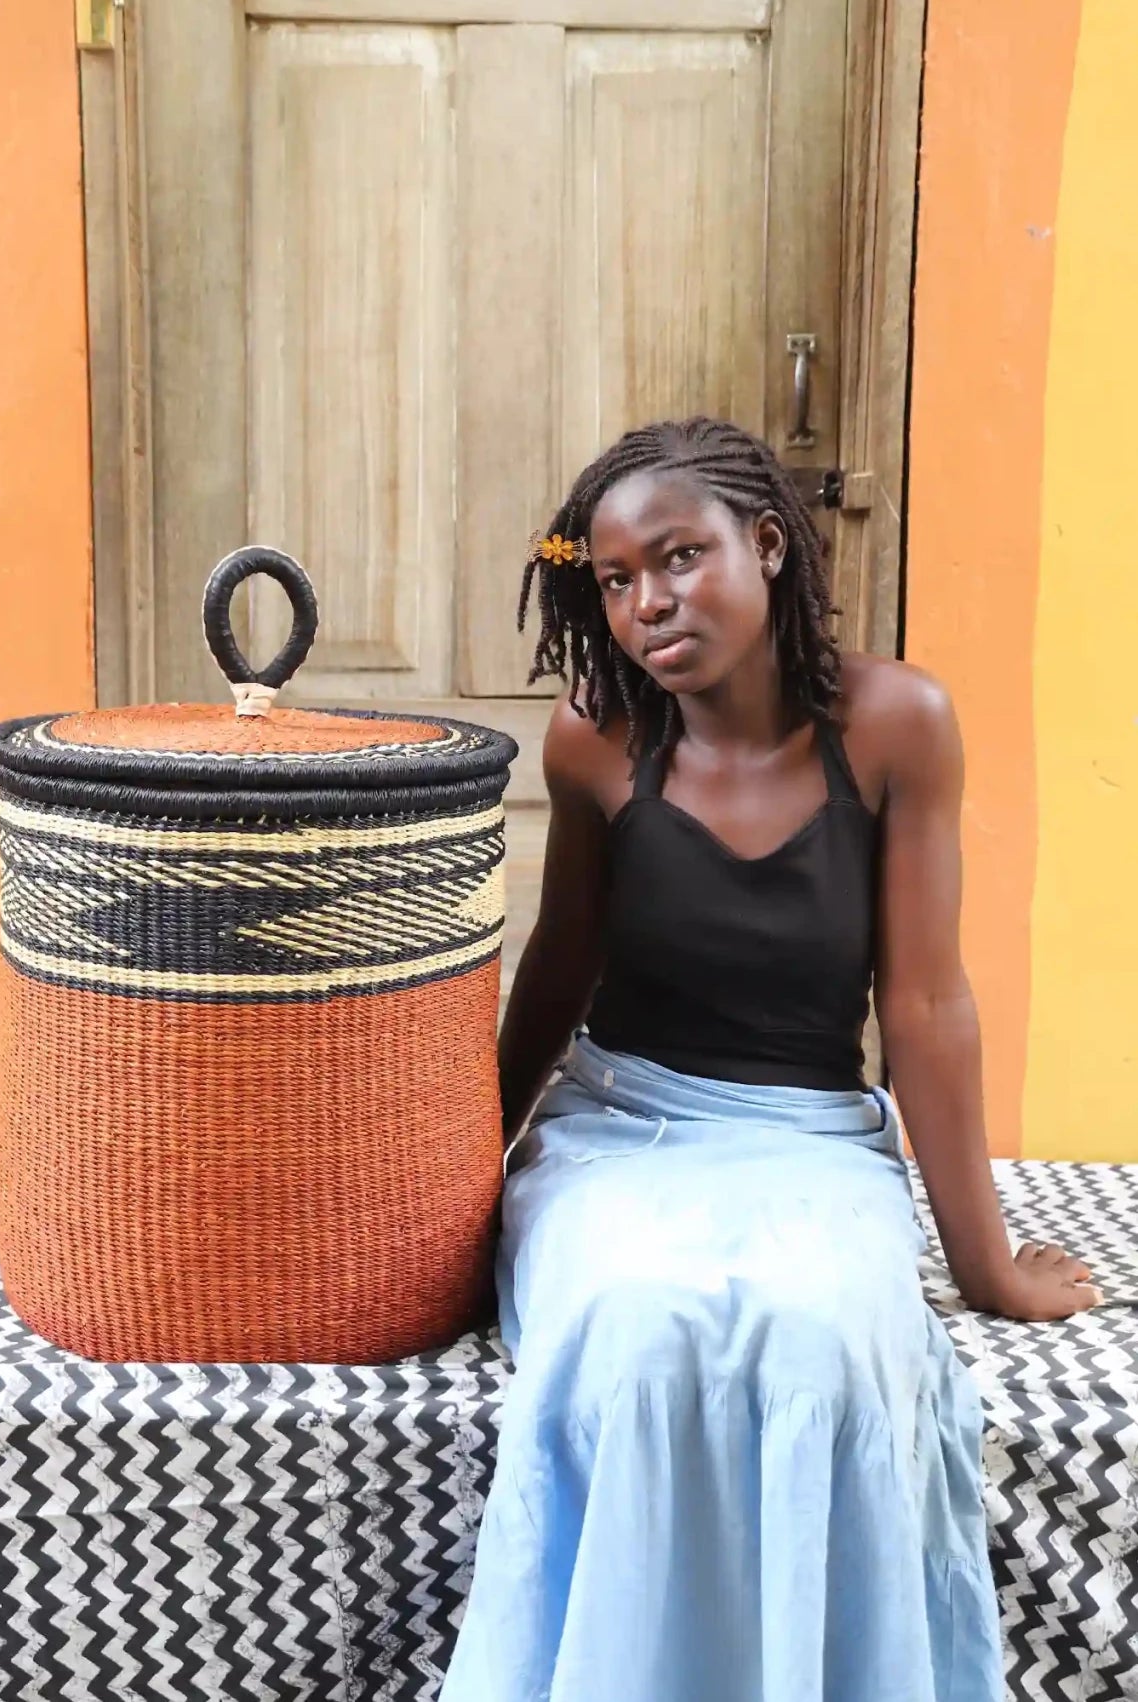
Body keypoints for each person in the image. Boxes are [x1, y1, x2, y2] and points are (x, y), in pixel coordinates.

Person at [440, 419, 1100, 1702]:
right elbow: (558, 973)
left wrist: (989, 1268)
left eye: (679, 556)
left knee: (824, 1341)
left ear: (769, 544)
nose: (648, 602)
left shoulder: (898, 725)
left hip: (809, 1140)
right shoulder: (595, 738)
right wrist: (466, 1193)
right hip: (619, 1129)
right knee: (635, 1331)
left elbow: (926, 1006)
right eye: (616, 579)